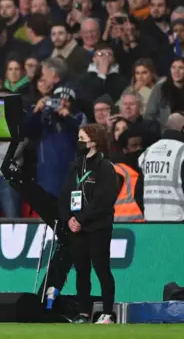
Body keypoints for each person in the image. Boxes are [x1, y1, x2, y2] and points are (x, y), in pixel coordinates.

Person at [59, 124, 119, 324]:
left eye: (82, 138)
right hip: (77, 228)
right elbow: (65, 195)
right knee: (81, 271)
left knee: (102, 269)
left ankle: (108, 312)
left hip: (98, 227)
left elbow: (104, 201)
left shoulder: (105, 168)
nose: (79, 143)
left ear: (94, 141)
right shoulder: (76, 166)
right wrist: (69, 218)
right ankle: (83, 312)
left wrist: (81, 218)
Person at [138, 113, 184, 221]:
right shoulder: (182, 152)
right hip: (179, 223)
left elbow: (138, 191)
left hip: (151, 221)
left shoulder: (147, 153)